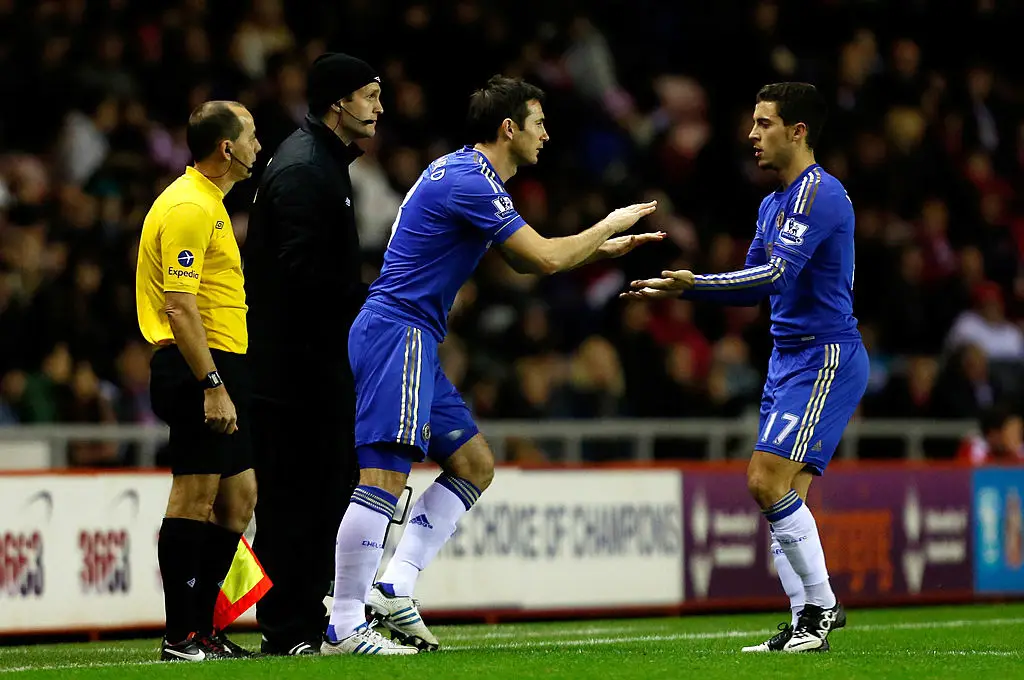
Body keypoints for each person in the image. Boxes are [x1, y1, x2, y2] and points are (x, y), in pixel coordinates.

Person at [322, 75, 663, 656]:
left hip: (412, 336)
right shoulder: (470, 181)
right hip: (396, 332)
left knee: (474, 464)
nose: (546, 135)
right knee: (382, 477)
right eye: (538, 124)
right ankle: (345, 623)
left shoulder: (464, 173)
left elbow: (529, 264)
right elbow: (546, 257)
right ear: (509, 129)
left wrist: (595, 251)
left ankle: (393, 586)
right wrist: (606, 225)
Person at [623, 82, 866, 653]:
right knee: (784, 498)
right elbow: (750, 289)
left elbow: (776, 275)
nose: (751, 135)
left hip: (823, 355)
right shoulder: (772, 203)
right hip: (787, 359)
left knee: (763, 480)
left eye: (764, 123)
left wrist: (694, 283)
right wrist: (686, 290)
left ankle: (822, 609)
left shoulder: (821, 196)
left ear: (797, 131)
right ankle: (806, 623)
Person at [243, 52, 383, 657]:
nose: (379, 107)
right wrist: (366, 303)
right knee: (295, 498)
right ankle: (289, 626)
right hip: (295, 373)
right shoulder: (305, 169)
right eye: (370, 95)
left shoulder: (318, 161)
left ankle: (304, 619)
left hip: (309, 365)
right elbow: (298, 278)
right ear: (337, 103)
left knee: (315, 493)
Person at [136, 101, 262, 661]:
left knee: (238, 497)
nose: (260, 146)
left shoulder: (208, 203)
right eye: (253, 136)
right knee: (195, 493)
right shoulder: (188, 205)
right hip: (195, 365)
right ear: (227, 148)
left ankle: (203, 628)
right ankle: (179, 635)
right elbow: (180, 307)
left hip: (221, 363)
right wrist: (211, 381)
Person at [957, 403, 1024, 465]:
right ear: (992, 434)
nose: (1012, 437)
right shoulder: (973, 448)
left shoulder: (1019, 449)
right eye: (1006, 433)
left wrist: (1015, 453)